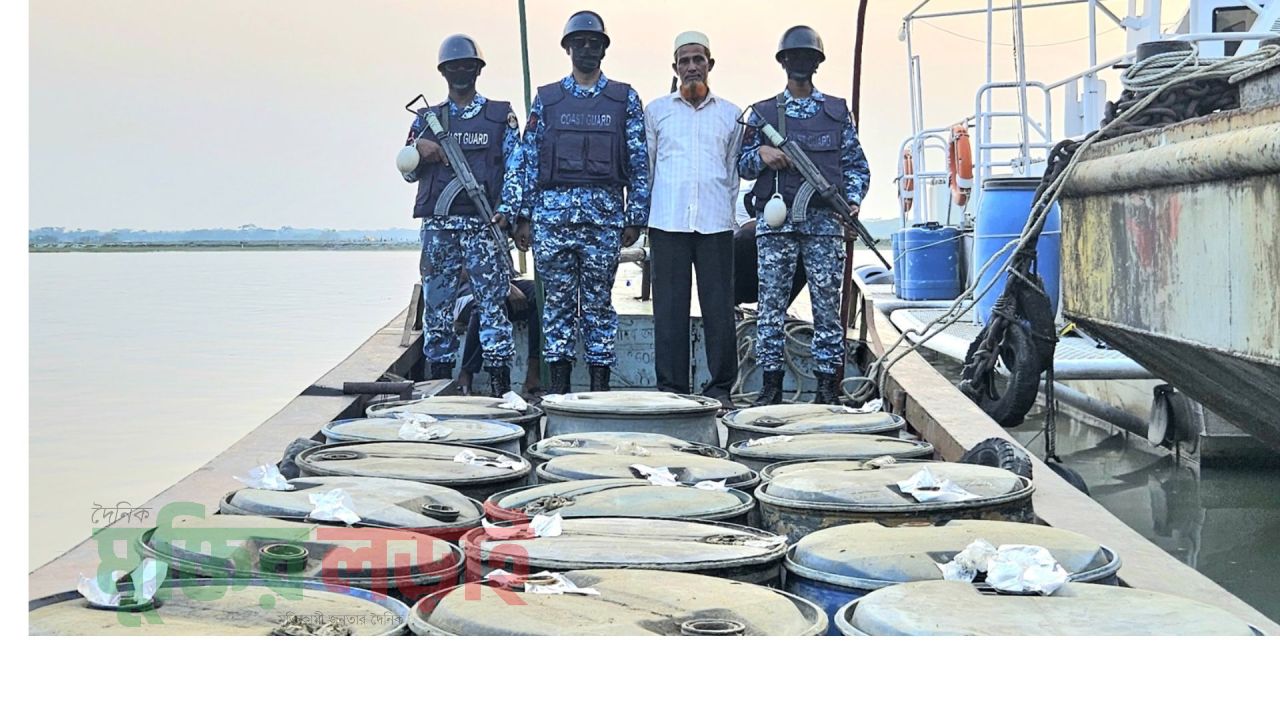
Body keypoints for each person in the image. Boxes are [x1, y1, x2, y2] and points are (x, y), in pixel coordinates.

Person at [512, 10, 650, 394]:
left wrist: (635, 216)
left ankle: (599, 391)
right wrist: (523, 216)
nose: (587, 50)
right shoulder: (547, 100)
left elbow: (639, 161)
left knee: (598, 308)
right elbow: (529, 158)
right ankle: (558, 392)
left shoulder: (624, 99)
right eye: (580, 43)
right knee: (555, 307)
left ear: (604, 50)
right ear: (568, 49)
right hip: (551, 223)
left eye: (594, 43)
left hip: (603, 223)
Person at [738, 25, 870, 406]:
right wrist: (761, 156)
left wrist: (854, 201)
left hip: (825, 225)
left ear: (817, 63)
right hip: (777, 226)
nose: (800, 63)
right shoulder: (763, 114)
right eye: (793, 57)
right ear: (783, 63)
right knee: (770, 309)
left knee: (828, 311)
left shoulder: (835, 112)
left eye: (807, 57)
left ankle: (828, 390)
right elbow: (742, 166)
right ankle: (770, 388)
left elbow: (856, 166)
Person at [401, 34, 522, 397]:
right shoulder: (427, 119)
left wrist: (507, 210)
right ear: (443, 72)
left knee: (493, 311)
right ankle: (435, 390)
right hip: (440, 230)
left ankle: (501, 392)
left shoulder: (500, 116)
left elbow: (516, 168)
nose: (461, 73)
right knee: (437, 313)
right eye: (453, 67)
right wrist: (417, 150)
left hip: (485, 228)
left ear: (478, 70)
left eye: (467, 66)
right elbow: (407, 172)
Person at [644, 31, 742, 410]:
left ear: (710, 65)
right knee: (669, 310)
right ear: (674, 67)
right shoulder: (656, 112)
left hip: (716, 223)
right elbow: (649, 168)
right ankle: (672, 390)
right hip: (667, 221)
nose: (690, 67)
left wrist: (732, 216)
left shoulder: (731, 114)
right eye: (683, 61)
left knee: (719, 308)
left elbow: (733, 171)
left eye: (697, 60)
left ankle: (720, 388)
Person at [455, 271, 542, 398]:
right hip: (470, 288)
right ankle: (466, 372)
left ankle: (533, 376)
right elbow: (465, 270)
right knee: (487, 300)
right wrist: (506, 286)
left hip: (502, 282)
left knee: (538, 294)